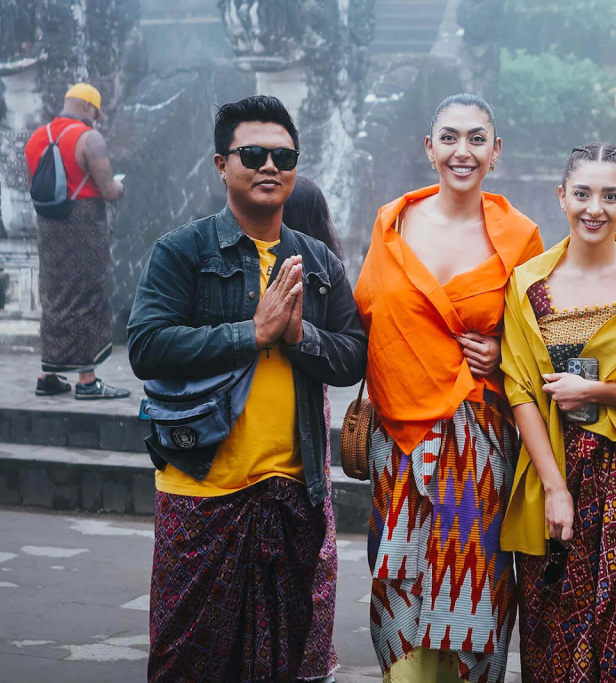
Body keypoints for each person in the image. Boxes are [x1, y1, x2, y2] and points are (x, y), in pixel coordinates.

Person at [127, 95, 367, 683]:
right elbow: (147, 346)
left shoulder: (317, 261)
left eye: (283, 156)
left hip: (291, 488)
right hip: (202, 484)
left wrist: (297, 335)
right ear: (221, 164)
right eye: (253, 153)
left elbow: (353, 355)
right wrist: (251, 332)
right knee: (188, 660)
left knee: (279, 662)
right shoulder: (183, 251)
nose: (269, 166)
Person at [354, 93, 543, 683]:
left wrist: (500, 350)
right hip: (396, 441)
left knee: (471, 583)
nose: (463, 151)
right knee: (400, 585)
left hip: (475, 441)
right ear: (429, 147)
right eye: (450, 137)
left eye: (477, 138)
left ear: (496, 152)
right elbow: (371, 317)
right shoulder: (392, 222)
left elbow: (540, 343)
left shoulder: (520, 238)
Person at [501, 143, 616, 682]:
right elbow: (521, 389)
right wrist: (554, 488)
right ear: (561, 197)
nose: (594, 208)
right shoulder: (529, 282)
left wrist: (598, 392)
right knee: (555, 621)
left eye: (610, 195)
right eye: (582, 193)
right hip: (553, 462)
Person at [24, 83, 129, 399]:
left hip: (49, 226)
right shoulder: (89, 138)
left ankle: (49, 376)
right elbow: (108, 190)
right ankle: (87, 381)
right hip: (84, 225)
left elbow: (35, 187)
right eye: (95, 112)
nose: (96, 119)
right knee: (88, 295)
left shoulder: (35, 138)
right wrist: (121, 187)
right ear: (87, 107)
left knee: (54, 295)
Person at [282, 175, 345, 683]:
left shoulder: (314, 271)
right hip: (312, 414)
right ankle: (313, 658)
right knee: (317, 530)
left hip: (293, 410)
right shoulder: (328, 266)